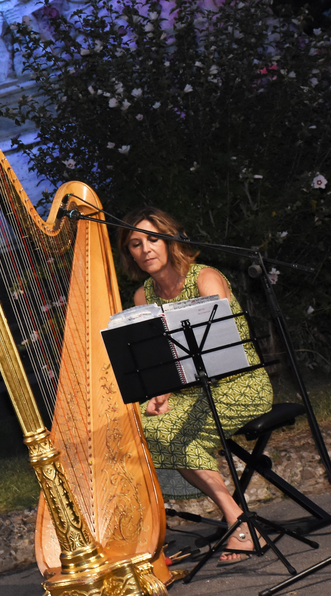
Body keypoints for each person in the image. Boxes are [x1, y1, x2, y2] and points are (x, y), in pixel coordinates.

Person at [117, 207, 273, 563]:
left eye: (152, 239)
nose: (145, 250)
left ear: (171, 239)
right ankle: (238, 518)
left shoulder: (205, 278)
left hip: (240, 383)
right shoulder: (143, 297)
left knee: (172, 430)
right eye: (136, 244)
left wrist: (172, 389)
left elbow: (224, 349)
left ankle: (240, 525)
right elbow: (160, 364)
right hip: (189, 392)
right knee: (141, 422)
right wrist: (158, 392)